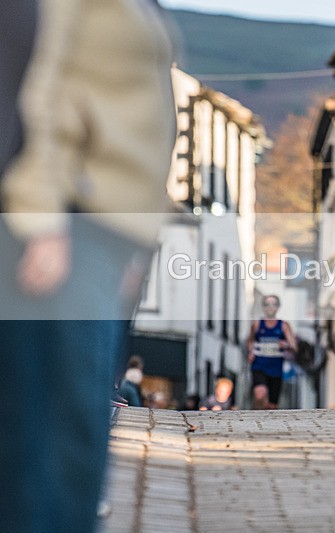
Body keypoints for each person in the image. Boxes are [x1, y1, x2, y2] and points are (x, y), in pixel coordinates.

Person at [0, 0, 176, 531]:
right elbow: (39, 80)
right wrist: (39, 216)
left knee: (70, 443)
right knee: (55, 447)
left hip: (102, 235)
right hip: (67, 228)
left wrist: (136, 239)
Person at [247, 294, 297, 410]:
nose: (270, 307)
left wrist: (286, 345)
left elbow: (294, 346)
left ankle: (266, 418)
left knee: (272, 405)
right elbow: (250, 341)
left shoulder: (284, 326)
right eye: (267, 304)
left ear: (278, 307)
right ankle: (256, 416)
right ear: (263, 307)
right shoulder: (257, 324)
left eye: (273, 304)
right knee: (260, 394)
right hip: (259, 364)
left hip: (276, 367)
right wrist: (251, 352)